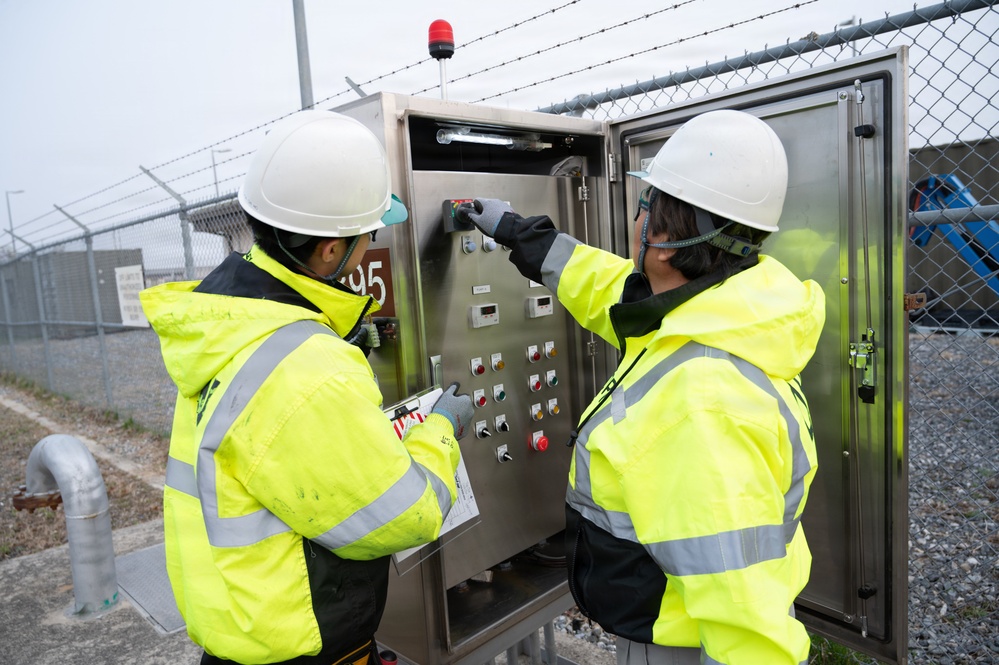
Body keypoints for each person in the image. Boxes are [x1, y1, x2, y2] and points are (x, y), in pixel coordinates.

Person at [458, 109, 825, 665]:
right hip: (680, 615)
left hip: (682, 640)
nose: (637, 217)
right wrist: (525, 238)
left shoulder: (700, 402)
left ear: (664, 233)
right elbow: (614, 292)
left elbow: (746, 619)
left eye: (646, 204)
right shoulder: (727, 308)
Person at [140, 110, 474, 665]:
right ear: (329, 252)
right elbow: (405, 514)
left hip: (238, 625)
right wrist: (441, 429)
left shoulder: (228, 321)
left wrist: (338, 342)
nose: (370, 246)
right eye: (368, 234)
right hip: (301, 646)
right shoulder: (309, 366)